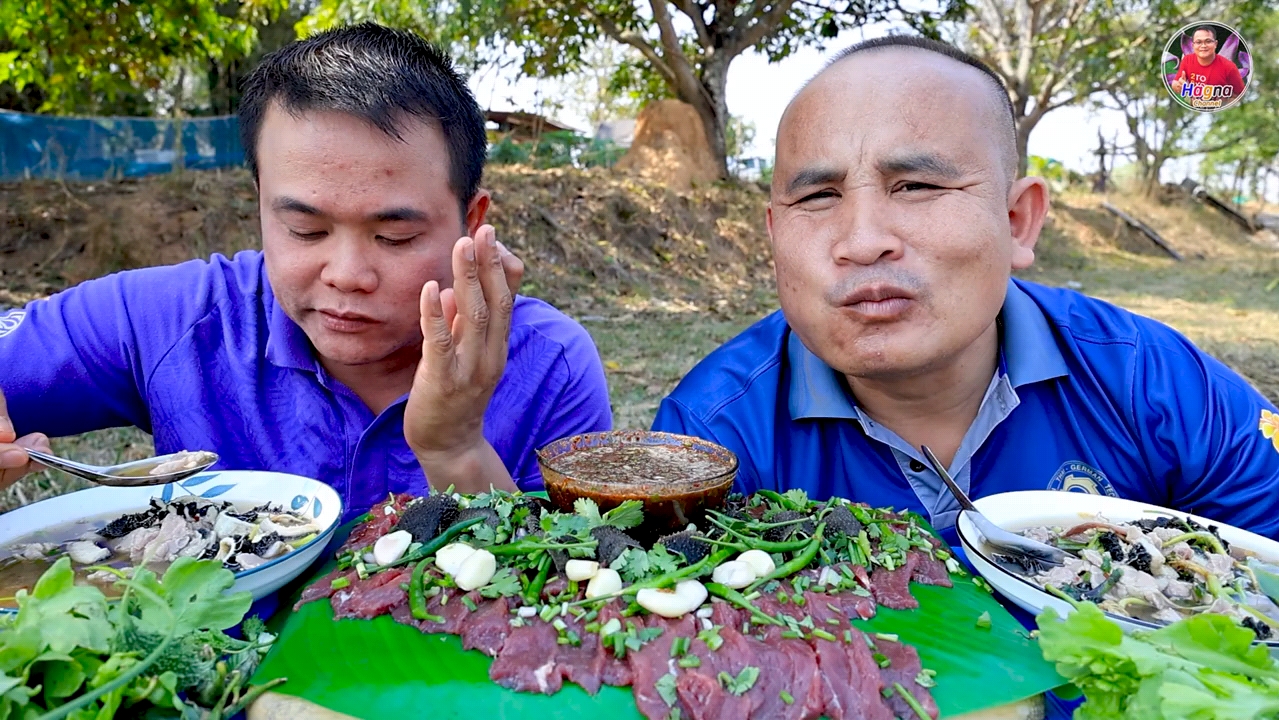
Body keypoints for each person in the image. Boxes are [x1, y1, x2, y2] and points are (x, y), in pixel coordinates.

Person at [652, 35, 1279, 548]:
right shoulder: (713, 436)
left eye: (917, 186)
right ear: (773, 233)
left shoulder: (1159, 387)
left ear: (1017, 222)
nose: (863, 240)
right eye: (817, 197)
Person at [0, 24, 612, 521]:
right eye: (304, 230)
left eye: (394, 236)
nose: (347, 275)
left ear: (469, 221)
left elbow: (572, 602)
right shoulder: (170, 320)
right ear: (260, 203)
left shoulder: (550, 366)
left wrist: (455, 446)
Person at [1170, 25, 1245, 102]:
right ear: (1193, 45)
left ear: (1215, 44)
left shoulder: (1229, 66)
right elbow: (1175, 83)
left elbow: (1237, 93)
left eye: (1208, 41)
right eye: (1199, 42)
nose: (1203, 46)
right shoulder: (1187, 61)